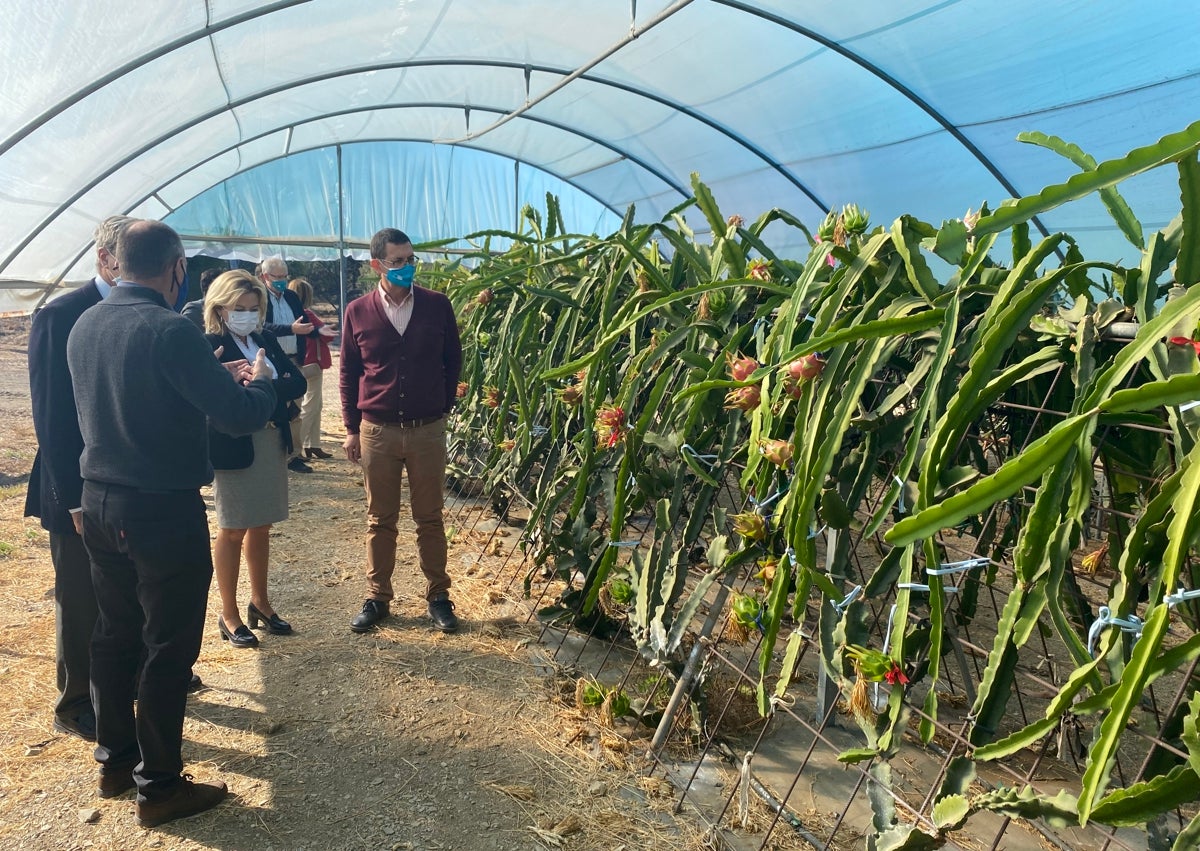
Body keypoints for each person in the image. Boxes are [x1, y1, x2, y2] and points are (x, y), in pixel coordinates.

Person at [67, 220, 276, 827]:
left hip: (100, 501)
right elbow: (236, 417)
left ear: (116, 263)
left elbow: (131, 398)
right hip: (159, 508)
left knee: (114, 632)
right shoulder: (169, 329)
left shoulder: (88, 324)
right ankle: (159, 786)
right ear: (177, 267)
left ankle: (113, 759)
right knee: (168, 645)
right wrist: (261, 388)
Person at [25, 215, 135, 743]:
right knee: (79, 593)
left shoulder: (140, 309)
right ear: (105, 259)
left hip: (125, 482)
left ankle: (126, 679)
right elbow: (51, 417)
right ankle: (74, 701)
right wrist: (70, 496)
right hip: (74, 486)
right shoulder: (61, 315)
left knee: (124, 586)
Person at [340, 228, 462, 634]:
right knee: (380, 519)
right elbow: (349, 372)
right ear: (377, 265)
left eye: (411, 260)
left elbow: (453, 360)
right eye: (397, 262)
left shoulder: (436, 306)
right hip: (378, 431)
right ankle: (378, 598)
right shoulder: (357, 311)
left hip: (427, 429)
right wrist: (351, 428)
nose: (407, 267)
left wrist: (440, 406)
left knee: (430, 517)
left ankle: (439, 597)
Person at [204, 270, 307, 647]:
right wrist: (253, 384)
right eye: (238, 308)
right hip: (234, 445)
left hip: (268, 440)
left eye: (253, 307)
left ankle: (260, 602)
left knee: (261, 524)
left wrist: (261, 382)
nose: (246, 314)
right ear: (220, 308)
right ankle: (228, 613)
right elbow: (213, 396)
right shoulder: (209, 343)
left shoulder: (262, 339)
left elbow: (298, 383)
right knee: (232, 529)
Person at [258, 257, 313, 473]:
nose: (282, 281)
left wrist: (316, 332)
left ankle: (294, 455)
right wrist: (290, 329)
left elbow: (302, 321)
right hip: (271, 360)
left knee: (295, 408)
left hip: (292, 358)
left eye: (284, 277)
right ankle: (273, 453)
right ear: (265, 277)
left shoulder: (290, 296)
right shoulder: (259, 297)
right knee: (273, 407)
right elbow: (262, 326)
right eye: (277, 277)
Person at [287, 277, 337, 461]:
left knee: (316, 405)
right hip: (313, 364)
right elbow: (326, 335)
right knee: (311, 406)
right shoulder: (307, 313)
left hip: (302, 362)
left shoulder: (290, 314)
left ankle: (313, 444)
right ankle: (296, 447)